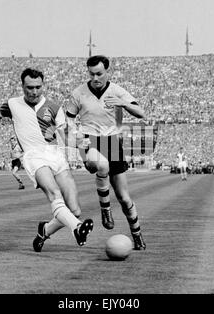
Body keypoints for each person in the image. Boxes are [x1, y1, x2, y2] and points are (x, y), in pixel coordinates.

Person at [0, 68, 93, 251]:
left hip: (55, 155)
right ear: (22, 86)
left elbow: (66, 134)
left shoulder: (54, 107)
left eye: (38, 87)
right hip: (33, 156)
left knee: (75, 210)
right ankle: (77, 228)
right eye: (29, 87)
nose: (34, 91)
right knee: (54, 194)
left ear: (42, 85)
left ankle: (44, 230)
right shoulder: (12, 104)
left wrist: (81, 146)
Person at [66, 55, 146, 250]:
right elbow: (68, 118)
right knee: (102, 165)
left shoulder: (117, 90)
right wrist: (76, 137)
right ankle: (105, 210)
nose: (95, 78)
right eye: (91, 74)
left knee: (125, 198)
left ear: (107, 72)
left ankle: (137, 235)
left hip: (112, 142)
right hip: (89, 140)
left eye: (99, 74)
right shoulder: (79, 93)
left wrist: (122, 103)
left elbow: (141, 112)